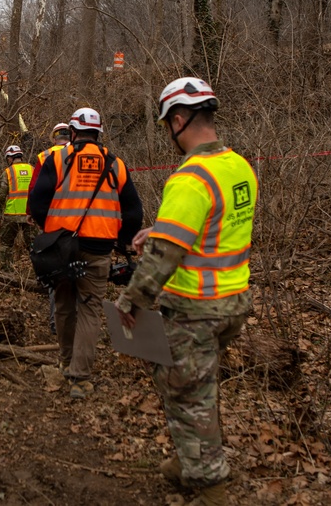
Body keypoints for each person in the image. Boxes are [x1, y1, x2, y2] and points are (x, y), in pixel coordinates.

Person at [114, 77, 257, 506]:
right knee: (199, 387)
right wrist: (160, 230)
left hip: (196, 309)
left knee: (187, 394)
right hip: (234, 302)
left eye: (166, 126)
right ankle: (187, 460)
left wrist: (132, 299)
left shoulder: (190, 178)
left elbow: (165, 258)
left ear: (178, 121)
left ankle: (211, 486)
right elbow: (212, 224)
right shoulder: (238, 166)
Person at [29, 107, 143, 399]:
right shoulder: (115, 164)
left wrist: (50, 231)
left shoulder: (57, 158)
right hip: (99, 248)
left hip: (62, 248)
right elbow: (133, 211)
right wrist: (124, 240)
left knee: (64, 305)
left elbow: (37, 203)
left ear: (72, 132)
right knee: (90, 310)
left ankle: (66, 361)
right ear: (98, 133)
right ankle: (80, 378)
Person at [30, 122, 71, 333]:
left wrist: (33, 214)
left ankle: (57, 322)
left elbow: (35, 189)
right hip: (81, 223)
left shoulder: (44, 156)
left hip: (52, 222)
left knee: (56, 270)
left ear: (54, 137)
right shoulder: (81, 153)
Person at [0, 145, 34, 271]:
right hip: (31, 215)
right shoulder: (33, 169)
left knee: (6, 245)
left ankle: (6, 273)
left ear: (9, 158)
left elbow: (1, 195)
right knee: (34, 245)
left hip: (12, 214)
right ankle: (38, 272)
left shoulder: (8, 172)